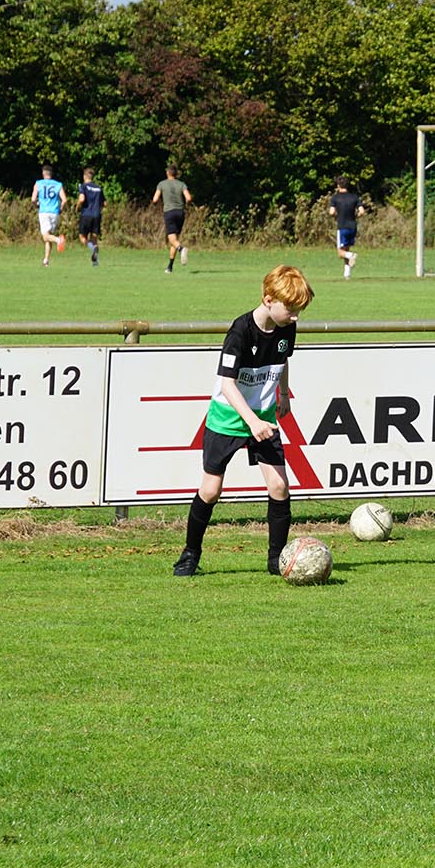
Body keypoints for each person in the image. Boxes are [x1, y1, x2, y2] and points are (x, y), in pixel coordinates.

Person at [172, 265, 315, 577]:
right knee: (211, 490)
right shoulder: (240, 331)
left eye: (299, 311)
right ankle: (190, 554)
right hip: (228, 418)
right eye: (291, 310)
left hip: (263, 418)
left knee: (279, 485)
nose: (295, 318)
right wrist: (251, 422)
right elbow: (227, 385)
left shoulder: (286, 327)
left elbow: (282, 359)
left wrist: (284, 393)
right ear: (268, 300)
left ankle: (277, 560)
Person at [152, 165, 193, 273]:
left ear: (167, 173)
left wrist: (156, 203)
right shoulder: (181, 184)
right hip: (180, 212)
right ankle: (170, 267)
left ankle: (181, 249)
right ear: (176, 174)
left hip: (169, 212)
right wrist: (187, 204)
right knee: (174, 239)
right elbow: (189, 198)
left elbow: (155, 199)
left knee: (172, 239)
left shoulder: (162, 184)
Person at [327, 177, 363, 279]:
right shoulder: (354, 197)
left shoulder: (335, 198)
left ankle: (351, 255)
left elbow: (331, 212)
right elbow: (362, 211)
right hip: (352, 227)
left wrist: (336, 215)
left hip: (342, 226)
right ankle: (347, 274)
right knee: (346, 249)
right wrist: (356, 216)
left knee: (341, 253)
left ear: (338, 185)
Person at [31, 165, 66, 266]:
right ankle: (46, 260)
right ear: (51, 173)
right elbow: (64, 200)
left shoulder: (38, 183)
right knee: (49, 235)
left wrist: (36, 205)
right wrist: (61, 209)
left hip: (44, 212)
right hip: (55, 212)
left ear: (43, 173)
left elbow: (33, 199)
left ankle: (58, 240)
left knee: (45, 237)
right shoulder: (58, 184)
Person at [75, 167, 104, 266]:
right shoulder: (98, 188)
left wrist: (77, 206)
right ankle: (95, 262)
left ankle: (92, 248)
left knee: (82, 237)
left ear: (84, 176)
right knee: (94, 238)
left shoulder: (83, 186)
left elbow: (81, 199)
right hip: (97, 215)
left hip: (86, 214)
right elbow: (104, 203)